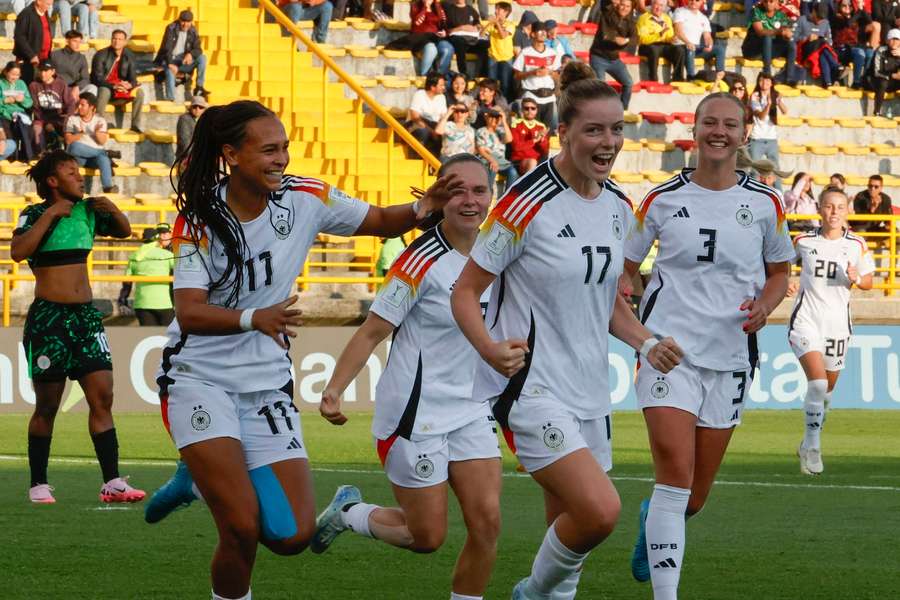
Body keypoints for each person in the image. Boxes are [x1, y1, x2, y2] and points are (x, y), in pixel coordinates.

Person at [141, 100, 462, 600]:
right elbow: (189, 311)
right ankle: (208, 485)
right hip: (199, 381)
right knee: (242, 528)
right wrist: (254, 317)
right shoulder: (200, 217)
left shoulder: (305, 196)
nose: (282, 158)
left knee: (293, 536)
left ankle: (198, 481)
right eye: (269, 149)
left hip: (266, 382)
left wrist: (425, 208)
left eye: (285, 147)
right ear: (231, 154)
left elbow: (380, 218)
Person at [450, 61, 683, 600]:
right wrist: (489, 349)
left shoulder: (620, 206)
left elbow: (607, 304)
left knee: (569, 534)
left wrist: (646, 341)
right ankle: (529, 592)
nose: (609, 142)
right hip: (530, 388)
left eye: (617, 128)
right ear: (564, 133)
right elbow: (464, 292)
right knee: (600, 512)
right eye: (594, 130)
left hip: (589, 390)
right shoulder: (523, 205)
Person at [624, 91, 795, 599]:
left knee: (693, 497)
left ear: (745, 135)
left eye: (730, 124)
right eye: (709, 123)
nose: (719, 132)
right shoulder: (660, 199)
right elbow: (627, 268)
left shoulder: (766, 203)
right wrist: (636, 320)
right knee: (675, 481)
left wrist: (765, 305)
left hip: (731, 357)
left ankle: (651, 520)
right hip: (668, 353)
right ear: (694, 131)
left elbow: (779, 273)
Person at [314, 154, 501, 600]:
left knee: (488, 524)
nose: (470, 201)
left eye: (479, 190)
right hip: (415, 417)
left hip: (472, 409)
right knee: (426, 537)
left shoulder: (500, 249)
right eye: (458, 191)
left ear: (492, 196)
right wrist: (334, 389)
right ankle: (350, 512)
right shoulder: (419, 260)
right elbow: (373, 332)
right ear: (441, 197)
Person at [11, 149, 142, 505]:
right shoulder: (34, 213)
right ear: (52, 181)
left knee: (103, 396)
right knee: (47, 406)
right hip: (49, 319)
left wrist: (111, 208)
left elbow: (125, 231)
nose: (80, 175)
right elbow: (18, 251)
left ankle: (112, 482)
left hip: (85, 318)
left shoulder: (87, 211)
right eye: (71, 171)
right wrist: (51, 213)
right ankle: (38, 483)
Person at [787, 188, 874, 475]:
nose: (834, 212)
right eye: (828, 206)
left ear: (847, 211)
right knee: (817, 385)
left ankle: (808, 440)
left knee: (826, 393)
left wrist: (857, 278)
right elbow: (778, 267)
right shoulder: (803, 241)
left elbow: (869, 282)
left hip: (838, 326)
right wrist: (785, 281)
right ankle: (812, 447)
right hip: (806, 321)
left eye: (839, 207)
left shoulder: (857, 244)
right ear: (820, 210)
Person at [118, 223, 176, 326]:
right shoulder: (168, 255)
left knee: (150, 339)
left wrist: (122, 301)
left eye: (165, 233)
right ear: (156, 238)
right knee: (170, 338)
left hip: (142, 304)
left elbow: (127, 281)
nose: (163, 236)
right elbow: (183, 272)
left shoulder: (134, 256)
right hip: (164, 303)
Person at [90, 29, 145, 133]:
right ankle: (98, 125)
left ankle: (135, 126)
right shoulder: (101, 54)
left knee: (139, 92)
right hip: (107, 88)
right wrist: (114, 86)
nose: (117, 41)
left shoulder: (130, 56)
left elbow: (133, 78)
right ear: (111, 40)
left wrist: (129, 85)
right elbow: (97, 79)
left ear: (125, 42)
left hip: (122, 89)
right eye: (114, 38)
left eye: (120, 39)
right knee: (104, 90)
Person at [64, 92, 118, 193]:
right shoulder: (72, 119)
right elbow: (68, 140)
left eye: (82, 105)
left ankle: (107, 187)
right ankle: (106, 153)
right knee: (74, 147)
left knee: (102, 158)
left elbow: (102, 141)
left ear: (91, 107)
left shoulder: (100, 121)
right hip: (78, 158)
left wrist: (97, 133)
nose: (79, 107)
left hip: (94, 159)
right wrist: (80, 134)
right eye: (78, 104)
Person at [513, 21, 562, 134]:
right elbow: (516, 75)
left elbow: (558, 76)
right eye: (540, 31)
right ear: (533, 34)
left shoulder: (552, 53)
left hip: (549, 97)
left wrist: (549, 72)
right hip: (532, 97)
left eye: (545, 31)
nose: (543, 34)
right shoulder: (525, 52)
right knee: (532, 132)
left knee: (548, 132)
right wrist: (532, 73)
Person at [590, 0, 637, 110]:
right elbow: (605, 34)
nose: (624, 8)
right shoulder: (608, 13)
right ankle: (598, 112)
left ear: (631, 8)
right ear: (617, 5)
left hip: (614, 60)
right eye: (622, 5)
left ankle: (622, 109)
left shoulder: (630, 22)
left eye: (627, 6)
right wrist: (615, 40)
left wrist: (626, 40)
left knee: (628, 83)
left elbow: (636, 39)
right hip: (598, 57)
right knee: (600, 86)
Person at [155, 10, 210, 102]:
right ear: (179, 20)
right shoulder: (171, 28)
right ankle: (170, 99)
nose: (185, 24)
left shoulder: (193, 30)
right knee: (170, 69)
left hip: (183, 62)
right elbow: (166, 48)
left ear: (191, 22)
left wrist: (191, 54)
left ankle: (199, 88)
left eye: (188, 22)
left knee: (202, 58)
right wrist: (170, 64)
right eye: (183, 21)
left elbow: (199, 49)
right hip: (169, 60)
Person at [387, 0, 453, 76]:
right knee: (431, 49)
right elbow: (417, 22)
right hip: (422, 38)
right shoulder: (415, 6)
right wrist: (425, 8)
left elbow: (443, 24)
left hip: (436, 37)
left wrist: (444, 33)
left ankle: (439, 76)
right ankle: (424, 75)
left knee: (448, 49)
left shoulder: (437, 7)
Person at [742, 0, 800, 83]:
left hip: (768, 50)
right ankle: (767, 74)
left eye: (771, 1)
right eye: (765, 1)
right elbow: (760, 31)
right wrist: (778, 31)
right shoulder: (756, 11)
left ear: (777, 2)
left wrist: (787, 33)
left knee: (791, 44)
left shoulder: (780, 15)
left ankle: (789, 78)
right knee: (767, 37)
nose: (768, 3)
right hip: (753, 50)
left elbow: (785, 30)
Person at [748, 72, 786, 187]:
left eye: (767, 81)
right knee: (755, 170)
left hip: (771, 138)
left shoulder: (775, 95)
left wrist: (779, 102)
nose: (764, 83)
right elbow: (761, 116)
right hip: (757, 138)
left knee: (776, 170)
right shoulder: (755, 96)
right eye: (762, 80)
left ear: (771, 83)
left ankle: (779, 195)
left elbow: (785, 111)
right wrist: (768, 105)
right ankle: (753, 196)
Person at [830, 0, 879, 88]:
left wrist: (862, 9)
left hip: (854, 47)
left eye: (849, 5)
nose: (847, 7)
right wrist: (859, 12)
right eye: (844, 5)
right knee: (860, 53)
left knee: (870, 53)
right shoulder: (837, 17)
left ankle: (865, 79)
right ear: (839, 7)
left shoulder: (855, 17)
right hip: (842, 48)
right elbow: (847, 23)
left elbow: (870, 21)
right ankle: (856, 81)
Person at [673, 0, 727, 81]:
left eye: (697, 0)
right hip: (682, 46)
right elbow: (678, 32)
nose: (694, 2)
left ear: (702, 2)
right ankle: (691, 77)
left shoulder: (703, 17)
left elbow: (708, 37)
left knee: (719, 49)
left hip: (696, 48)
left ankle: (720, 74)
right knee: (691, 48)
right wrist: (688, 42)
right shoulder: (680, 11)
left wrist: (709, 45)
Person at [29, 61, 75, 151]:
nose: (43, 73)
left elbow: (70, 103)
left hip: (59, 117)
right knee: (36, 128)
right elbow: (35, 108)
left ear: (53, 71)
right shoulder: (33, 85)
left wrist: (68, 118)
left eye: (46, 71)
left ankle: (68, 153)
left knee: (69, 126)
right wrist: (46, 122)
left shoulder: (61, 84)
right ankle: (41, 153)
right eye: (41, 70)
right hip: (42, 118)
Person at [795, 2, 842, 87]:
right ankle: (835, 66)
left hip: (820, 51)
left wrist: (820, 39)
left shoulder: (826, 23)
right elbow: (794, 37)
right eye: (818, 17)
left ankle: (827, 83)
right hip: (805, 50)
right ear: (813, 11)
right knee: (822, 43)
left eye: (822, 19)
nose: (820, 21)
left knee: (822, 52)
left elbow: (830, 42)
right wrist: (806, 38)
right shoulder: (802, 20)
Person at [637, 0, 686, 82]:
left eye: (661, 5)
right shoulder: (643, 18)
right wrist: (659, 34)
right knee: (654, 49)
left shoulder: (667, 18)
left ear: (664, 7)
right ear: (651, 5)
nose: (658, 8)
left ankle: (677, 79)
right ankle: (653, 79)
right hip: (647, 46)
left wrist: (672, 38)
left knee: (680, 50)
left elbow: (669, 36)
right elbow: (642, 39)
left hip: (663, 45)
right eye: (656, 5)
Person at [475, 107, 518, 195]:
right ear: (487, 117)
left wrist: (504, 120)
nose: (494, 119)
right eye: (491, 116)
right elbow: (480, 150)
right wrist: (492, 160)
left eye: (496, 117)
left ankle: (507, 198)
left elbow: (509, 139)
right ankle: (487, 195)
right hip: (487, 159)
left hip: (501, 161)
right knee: (491, 168)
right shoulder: (481, 131)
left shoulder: (500, 131)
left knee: (513, 171)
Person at [442, 0, 490, 77]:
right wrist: (462, 28)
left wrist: (476, 27)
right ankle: (463, 73)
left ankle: (483, 75)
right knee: (459, 41)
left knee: (486, 44)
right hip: (457, 40)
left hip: (471, 39)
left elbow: (478, 24)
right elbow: (448, 31)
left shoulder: (471, 9)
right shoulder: (449, 10)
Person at [406, 72, 448, 157]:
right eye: (441, 85)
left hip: (434, 126)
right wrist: (432, 132)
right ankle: (417, 158)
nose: (444, 88)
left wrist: (438, 131)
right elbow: (415, 117)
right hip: (418, 124)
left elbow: (443, 117)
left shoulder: (442, 97)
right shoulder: (419, 94)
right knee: (423, 131)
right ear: (432, 87)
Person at [0, 61, 35, 162]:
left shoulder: (21, 83)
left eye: (17, 75)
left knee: (24, 126)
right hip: (4, 114)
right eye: (12, 74)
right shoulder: (1, 83)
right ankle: (12, 157)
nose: (15, 77)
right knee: (9, 133)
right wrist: (4, 100)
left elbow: (29, 103)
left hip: (19, 114)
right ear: (6, 72)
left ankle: (27, 156)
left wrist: (22, 100)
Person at [13, 0, 53, 85]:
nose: (49, 7)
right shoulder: (26, 14)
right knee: (28, 84)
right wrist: (31, 55)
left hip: (44, 58)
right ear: (39, 1)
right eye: (47, 4)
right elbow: (19, 37)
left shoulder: (44, 12)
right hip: (29, 60)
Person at [508, 97, 549, 175]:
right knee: (532, 162)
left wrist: (542, 140)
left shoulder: (541, 126)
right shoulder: (516, 124)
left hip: (537, 161)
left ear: (536, 110)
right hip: (519, 160)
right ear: (522, 110)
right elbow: (516, 147)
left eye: (533, 108)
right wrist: (534, 141)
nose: (530, 111)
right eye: (526, 108)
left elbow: (545, 151)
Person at [51, 30, 92, 106]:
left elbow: (86, 78)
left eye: (79, 42)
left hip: (74, 89)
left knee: (92, 88)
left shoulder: (81, 58)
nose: (78, 44)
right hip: (58, 88)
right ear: (67, 41)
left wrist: (77, 87)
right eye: (75, 41)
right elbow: (48, 73)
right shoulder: (54, 55)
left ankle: (88, 113)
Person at [484, 1, 515, 100]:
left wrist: (496, 22)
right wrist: (488, 24)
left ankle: (504, 103)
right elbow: (481, 34)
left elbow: (503, 35)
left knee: (505, 84)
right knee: (491, 83)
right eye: (495, 9)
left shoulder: (510, 25)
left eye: (498, 9)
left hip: (506, 58)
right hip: (493, 56)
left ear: (506, 12)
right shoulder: (492, 24)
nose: (496, 11)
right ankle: (491, 102)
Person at [870, 28, 900, 116]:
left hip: (892, 82)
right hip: (876, 81)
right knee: (883, 83)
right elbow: (877, 72)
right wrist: (893, 76)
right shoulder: (881, 50)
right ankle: (877, 112)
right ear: (887, 40)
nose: (895, 42)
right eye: (892, 39)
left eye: (897, 39)